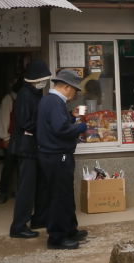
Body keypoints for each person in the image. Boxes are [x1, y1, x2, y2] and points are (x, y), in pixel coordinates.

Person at [36, 69, 88, 250]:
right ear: (66, 87)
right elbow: (61, 129)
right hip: (56, 155)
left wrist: (71, 117)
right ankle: (57, 237)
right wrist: (81, 126)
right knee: (59, 197)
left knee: (65, 195)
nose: (75, 94)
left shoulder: (50, 100)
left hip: (53, 155)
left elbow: (57, 125)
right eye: (75, 90)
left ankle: (69, 230)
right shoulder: (55, 102)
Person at [9, 60, 51, 238]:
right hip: (26, 148)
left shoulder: (36, 92)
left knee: (41, 185)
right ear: (35, 78)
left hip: (36, 146)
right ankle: (18, 226)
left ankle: (39, 218)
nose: (44, 82)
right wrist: (45, 123)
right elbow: (25, 122)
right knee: (26, 188)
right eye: (43, 79)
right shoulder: (25, 94)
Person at [0, 78, 22, 204]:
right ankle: (3, 192)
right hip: (11, 138)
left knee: (21, 167)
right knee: (8, 167)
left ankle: (20, 192)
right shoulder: (8, 99)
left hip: (22, 138)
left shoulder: (21, 99)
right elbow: (3, 119)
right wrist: (5, 137)